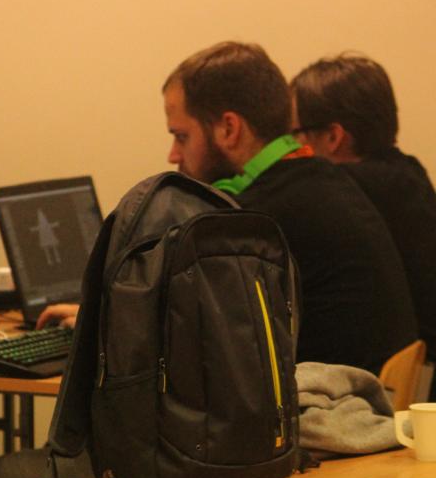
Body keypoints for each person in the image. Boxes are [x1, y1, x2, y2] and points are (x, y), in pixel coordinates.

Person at [41, 41, 417, 374]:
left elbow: (186, 332)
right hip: (366, 409)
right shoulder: (320, 182)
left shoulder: (254, 221)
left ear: (229, 129)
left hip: (326, 422)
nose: (173, 155)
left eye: (181, 136)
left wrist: (98, 322)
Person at [291, 53, 436, 387]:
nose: (291, 146)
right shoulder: (408, 173)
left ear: (333, 136)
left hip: (389, 390)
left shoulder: (342, 191)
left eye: (294, 133)